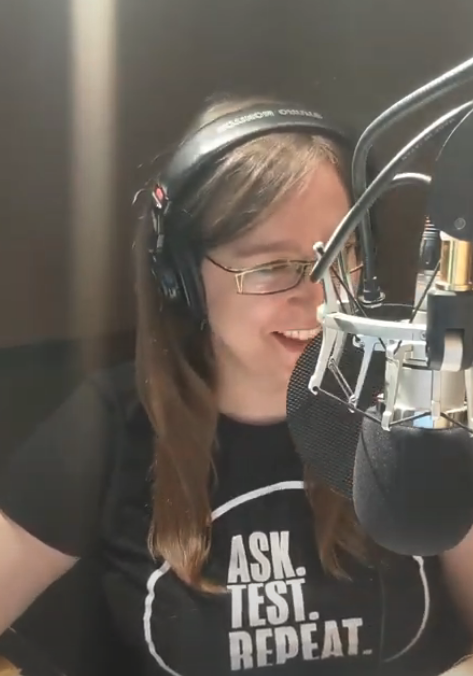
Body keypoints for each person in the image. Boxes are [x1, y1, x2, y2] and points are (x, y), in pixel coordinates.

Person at [0, 96, 472, 676]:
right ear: (185, 283)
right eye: (272, 266)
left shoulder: (424, 397)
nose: (321, 299)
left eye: (341, 254)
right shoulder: (105, 425)